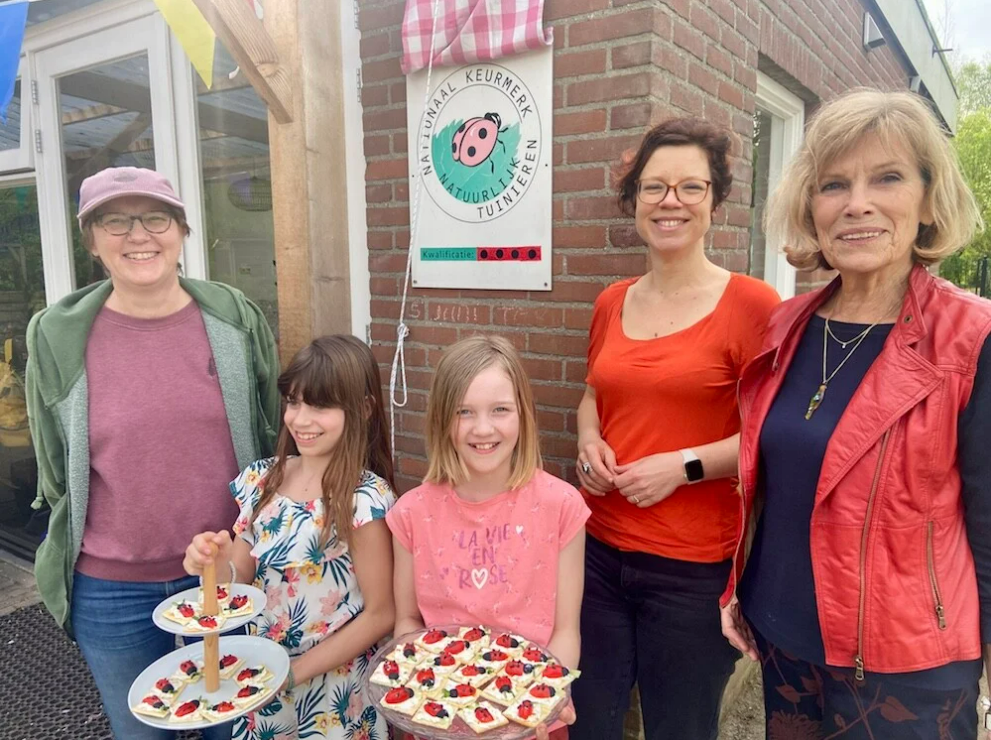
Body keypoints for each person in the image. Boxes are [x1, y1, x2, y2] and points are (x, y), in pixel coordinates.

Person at [719, 89, 991, 739]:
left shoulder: (970, 338)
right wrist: (740, 584)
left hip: (906, 669)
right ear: (811, 209)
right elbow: (776, 480)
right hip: (781, 636)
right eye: (833, 184)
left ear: (926, 199)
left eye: (887, 177)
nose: (856, 202)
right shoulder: (785, 326)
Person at [26, 166, 279, 740]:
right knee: (140, 732)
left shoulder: (234, 319)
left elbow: (269, 438)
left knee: (235, 731)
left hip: (226, 578)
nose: (138, 235)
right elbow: (53, 460)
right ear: (92, 242)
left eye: (155, 218)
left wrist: (246, 548)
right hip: (111, 590)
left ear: (182, 231)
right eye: (115, 221)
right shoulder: (56, 335)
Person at [568, 118, 781, 740]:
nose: (671, 202)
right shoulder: (612, 300)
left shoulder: (752, 304)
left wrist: (683, 465)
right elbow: (591, 398)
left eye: (691, 187)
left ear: (715, 202)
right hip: (599, 554)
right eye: (654, 187)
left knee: (678, 728)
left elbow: (770, 436)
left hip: (692, 570)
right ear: (633, 200)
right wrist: (588, 443)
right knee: (590, 721)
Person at [185, 334, 397, 739]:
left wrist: (294, 673)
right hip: (263, 682)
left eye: (320, 405)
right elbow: (239, 579)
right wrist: (211, 562)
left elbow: (380, 613)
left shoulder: (366, 500)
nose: (300, 419)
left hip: (336, 692)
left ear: (364, 408)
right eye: (294, 402)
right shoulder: (264, 478)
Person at [388, 335, 589, 740]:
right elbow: (408, 620)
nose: (483, 429)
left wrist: (550, 692)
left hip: (528, 715)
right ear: (443, 418)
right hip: (437, 714)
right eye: (464, 411)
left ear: (524, 415)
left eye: (500, 410)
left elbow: (565, 630)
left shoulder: (561, 506)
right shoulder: (411, 513)